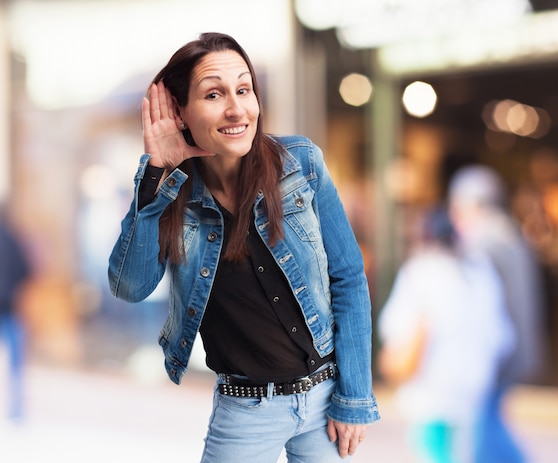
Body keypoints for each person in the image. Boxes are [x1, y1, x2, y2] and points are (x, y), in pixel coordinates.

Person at [108, 32, 379, 462]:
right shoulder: (173, 194)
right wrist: (156, 174)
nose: (236, 109)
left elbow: (348, 278)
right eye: (214, 94)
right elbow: (129, 286)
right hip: (245, 411)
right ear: (180, 111)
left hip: (325, 402)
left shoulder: (301, 163)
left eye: (244, 89)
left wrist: (355, 396)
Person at [377, 207, 514, 463]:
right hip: (474, 388)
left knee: (435, 452)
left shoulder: (421, 271)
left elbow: (395, 328)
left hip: (432, 388)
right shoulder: (480, 272)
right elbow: (502, 338)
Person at [447, 165, 545, 463]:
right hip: (511, 349)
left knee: (485, 432)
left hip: (496, 354)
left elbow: (478, 308)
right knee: (487, 425)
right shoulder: (509, 235)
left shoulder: (485, 242)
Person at [0, 208, 30, 422]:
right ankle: (16, 408)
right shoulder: (12, 238)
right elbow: (26, 269)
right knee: (16, 361)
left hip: (9, 307)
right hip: (9, 306)